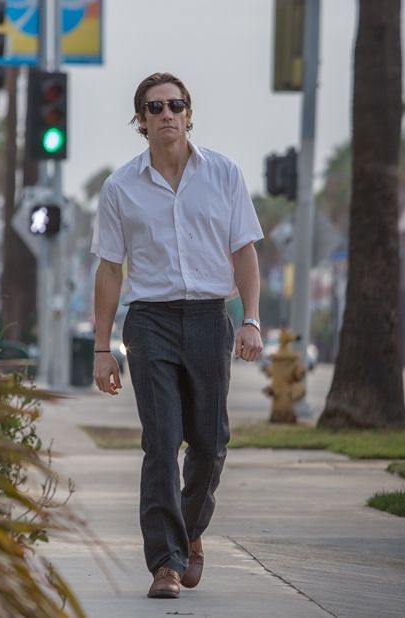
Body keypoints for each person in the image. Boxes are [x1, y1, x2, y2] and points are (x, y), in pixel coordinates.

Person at [91, 72, 264, 599]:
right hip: (150, 322)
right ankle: (165, 563)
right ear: (140, 122)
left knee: (210, 445)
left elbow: (244, 253)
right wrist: (102, 349)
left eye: (176, 105)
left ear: (189, 114)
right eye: (155, 107)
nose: (167, 113)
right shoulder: (120, 187)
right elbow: (109, 271)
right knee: (162, 444)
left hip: (212, 319)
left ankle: (189, 533)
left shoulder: (225, 174)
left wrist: (252, 318)